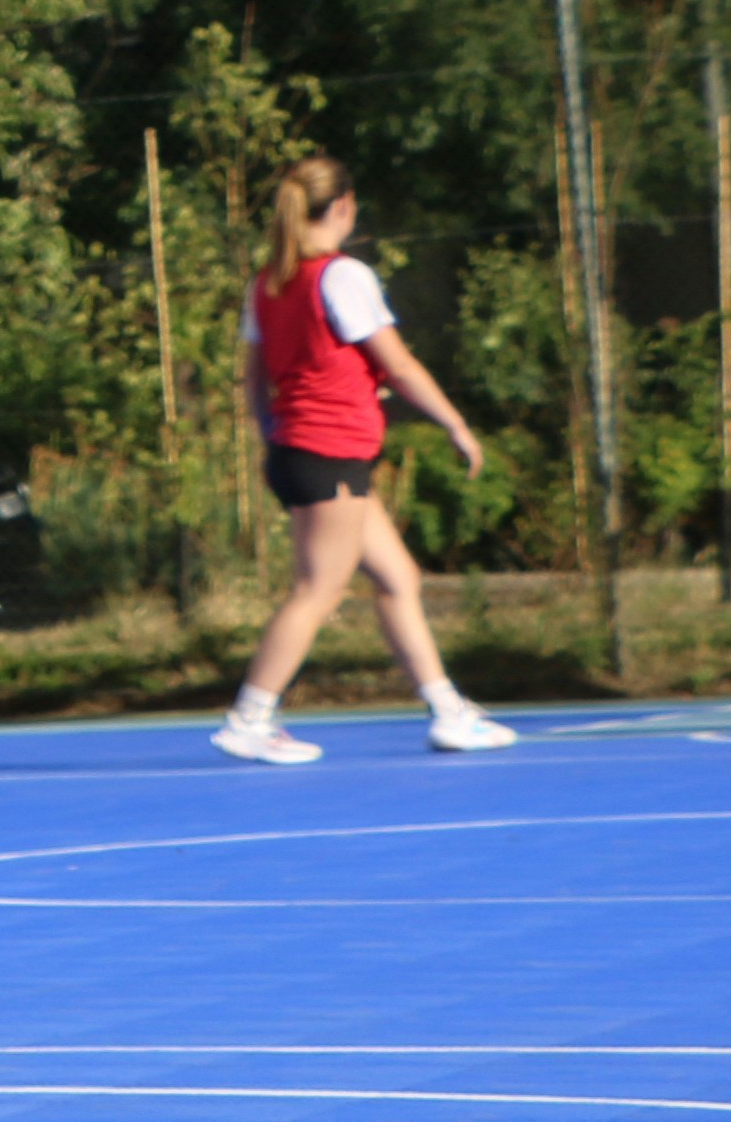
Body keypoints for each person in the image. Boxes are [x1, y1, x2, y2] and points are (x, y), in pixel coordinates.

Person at [211, 154, 518, 763]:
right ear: (345, 208)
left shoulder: (268, 282)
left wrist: (274, 434)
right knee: (318, 590)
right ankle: (249, 718)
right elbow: (398, 364)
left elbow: (259, 377)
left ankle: (449, 712)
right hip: (327, 454)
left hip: (309, 452)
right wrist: (455, 423)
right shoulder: (342, 276)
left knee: (398, 577)